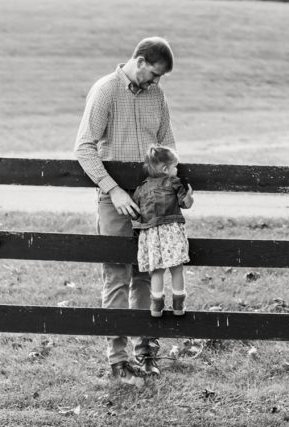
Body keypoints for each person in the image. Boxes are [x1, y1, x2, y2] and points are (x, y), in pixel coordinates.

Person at [74, 36, 176, 386]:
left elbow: (168, 145)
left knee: (148, 273)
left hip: (152, 198)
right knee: (116, 275)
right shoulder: (105, 90)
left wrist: (169, 181)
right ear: (141, 60)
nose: (156, 81)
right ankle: (118, 359)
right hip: (114, 198)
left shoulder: (157, 97)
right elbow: (84, 149)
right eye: (155, 74)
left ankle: (145, 350)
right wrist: (113, 189)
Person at [133, 144, 193, 318]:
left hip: (151, 234)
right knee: (176, 268)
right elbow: (186, 204)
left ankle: (156, 307)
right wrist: (189, 195)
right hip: (171, 231)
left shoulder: (141, 189)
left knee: (157, 270)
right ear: (166, 169)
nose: (177, 170)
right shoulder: (173, 181)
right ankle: (178, 305)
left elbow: (136, 215)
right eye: (175, 167)